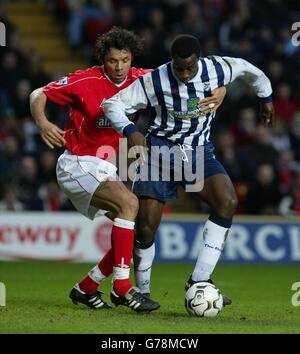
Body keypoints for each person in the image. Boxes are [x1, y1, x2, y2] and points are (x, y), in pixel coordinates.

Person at [103, 34, 275, 304]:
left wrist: (266, 98)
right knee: (146, 227)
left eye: (189, 68)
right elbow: (112, 104)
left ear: (199, 60)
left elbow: (251, 71)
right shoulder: (155, 80)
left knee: (227, 201)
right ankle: (143, 292)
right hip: (158, 152)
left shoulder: (218, 69)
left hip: (197, 152)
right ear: (171, 60)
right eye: (179, 67)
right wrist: (130, 130)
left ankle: (200, 280)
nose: (184, 74)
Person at [29, 27, 161, 313]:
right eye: (113, 60)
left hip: (105, 165)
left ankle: (87, 287)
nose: (119, 67)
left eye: (124, 60)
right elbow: (38, 93)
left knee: (133, 230)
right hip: (77, 162)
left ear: (131, 58)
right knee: (129, 203)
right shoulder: (84, 79)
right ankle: (123, 288)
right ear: (103, 58)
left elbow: (179, 78)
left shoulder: (142, 79)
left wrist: (221, 88)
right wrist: (42, 122)